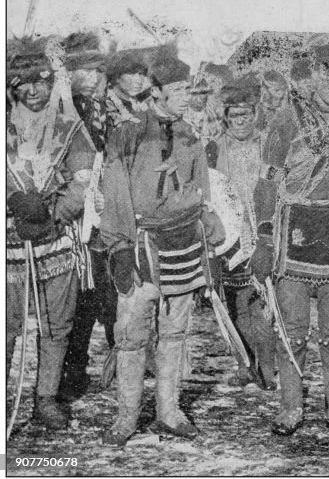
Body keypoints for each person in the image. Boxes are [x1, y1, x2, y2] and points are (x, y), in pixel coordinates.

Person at [250, 44, 329, 436]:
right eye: (327, 77)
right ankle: (291, 407)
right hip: (294, 235)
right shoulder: (287, 120)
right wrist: (265, 238)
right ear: (315, 78)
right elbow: (266, 183)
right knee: (293, 328)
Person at [99, 53, 225, 445]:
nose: (187, 97)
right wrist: (119, 246)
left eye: (189, 89)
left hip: (184, 245)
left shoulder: (190, 135)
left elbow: (203, 192)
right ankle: (126, 417)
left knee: (174, 333)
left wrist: (212, 241)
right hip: (142, 247)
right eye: (179, 91)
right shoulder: (128, 132)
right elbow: (116, 190)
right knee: (133, 336)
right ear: (157, 93)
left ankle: (169, 411)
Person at [6, 36, 96, 430]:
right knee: (6, 325)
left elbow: (84, 182)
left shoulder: (69, 127)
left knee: (56, 324)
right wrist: (12, 200)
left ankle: (45, 400)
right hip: (9, 241)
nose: (33, 91)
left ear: (51, 81)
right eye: (22, 84)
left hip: (56, 239)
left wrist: (56, 213)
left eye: (40, 81)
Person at [205, 76, 277, 390]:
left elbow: (277, 186)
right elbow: (208, 188)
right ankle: (244, 363)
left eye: (247, 115)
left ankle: (269, 365)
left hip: (262, 228)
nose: (241, 122)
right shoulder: (214, 147)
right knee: (235, 300)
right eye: (235, 116)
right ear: (226, 118)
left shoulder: (267, 144)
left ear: (255, 115)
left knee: (264, 300)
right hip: (229, 233)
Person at [59, 32, 118, 403]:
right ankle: (71, 372)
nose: (94, 77)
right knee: (78, 302)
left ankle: (121, 367)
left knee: (110, 296)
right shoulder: (63, 110)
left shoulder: (105, 110)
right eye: (86, 69)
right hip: (74, 221)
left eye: (98, 69)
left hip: (106, 218)